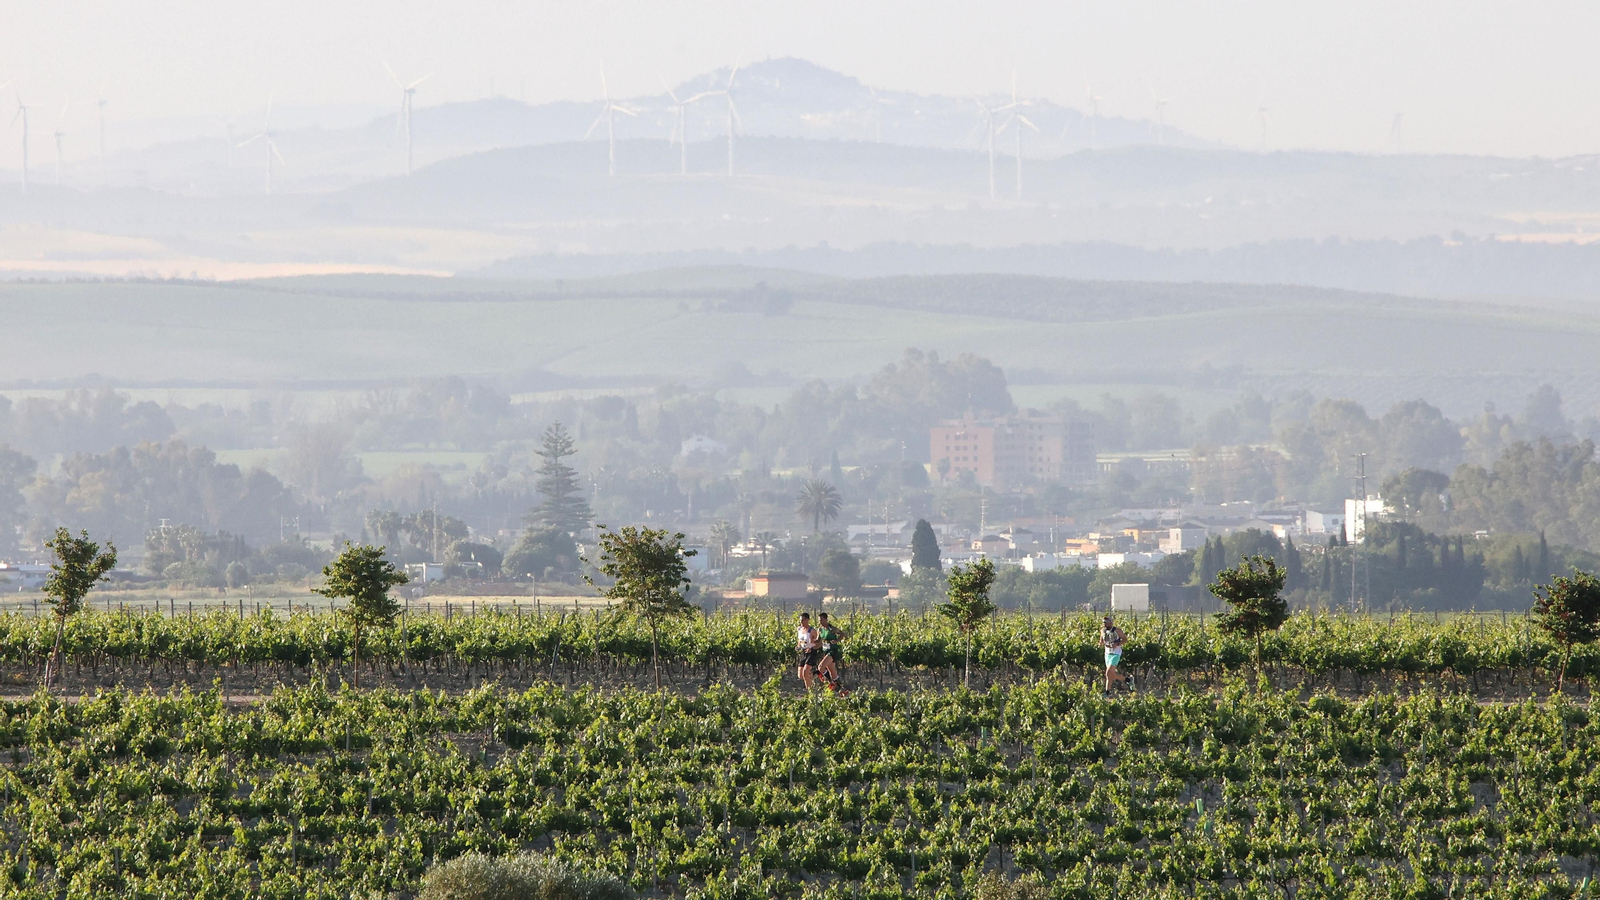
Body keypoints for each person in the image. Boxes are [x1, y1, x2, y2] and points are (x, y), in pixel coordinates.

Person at [815, 611, 849, 695]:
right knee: (833, 673)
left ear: (826, 619)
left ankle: (828, 684)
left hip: (832, 651)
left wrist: (837, 640)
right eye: (819, 620)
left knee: (820, 667)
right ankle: (843, 690)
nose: (820, 622)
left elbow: (842, 634)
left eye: (821, 620)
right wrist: (808, 642)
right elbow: (817, 640)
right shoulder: (820, 629)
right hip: (825, 651)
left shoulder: (832, 629)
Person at [1101, 614, 1129, 694]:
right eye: (1104, 622)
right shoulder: (1103, 631)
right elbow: (1101, 639)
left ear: (1111, 623)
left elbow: (1125, 639)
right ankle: (1128, 680)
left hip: (1116, 653)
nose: (1105, 624)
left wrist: (1118, 643)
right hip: (1107, 654)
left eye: (1106, 622)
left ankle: (1106, 692)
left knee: (1108, 672)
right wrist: (1101, 643)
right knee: (1110, 675)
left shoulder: (1117, 631)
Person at [796, 613, 820, 690]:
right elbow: (800, 640)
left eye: (803, 620)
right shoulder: (799, 629)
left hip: (811, 653)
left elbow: (819, 642)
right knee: (800, 675)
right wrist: (798, 646)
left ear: (807, 620)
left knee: (805, 672)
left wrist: (812, 647)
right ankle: (816, 673)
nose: (801, 622)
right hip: (803, 652)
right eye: (800, 620)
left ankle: (810, 691)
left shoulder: (812, 631)